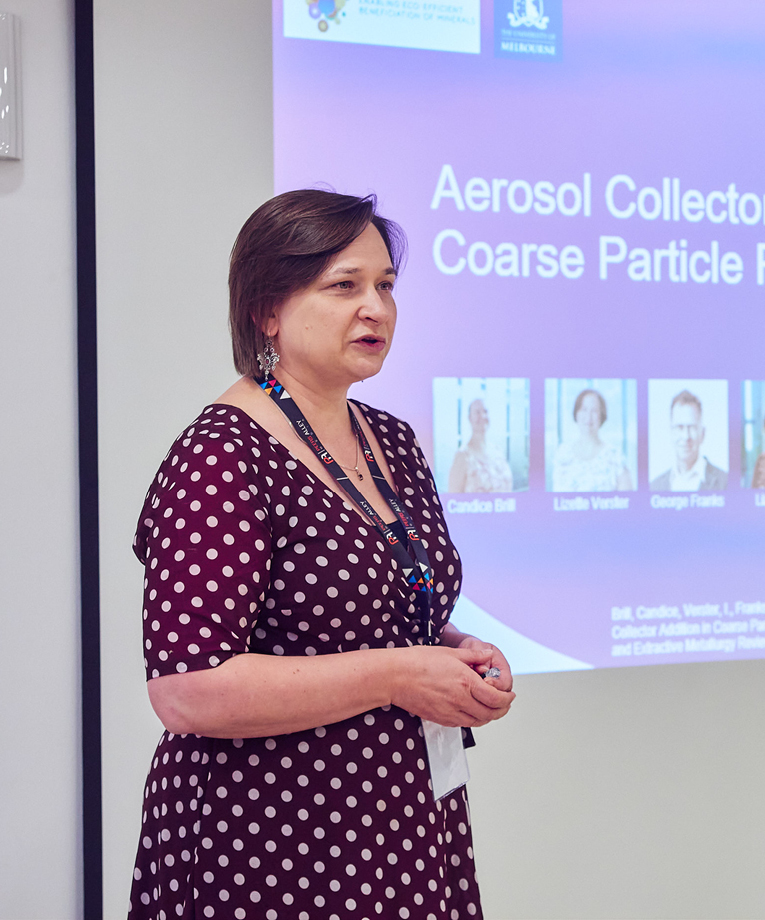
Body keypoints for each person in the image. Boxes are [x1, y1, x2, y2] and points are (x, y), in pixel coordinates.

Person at [128, 190, 515, 920]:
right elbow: (187, 689)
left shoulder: (391, 438)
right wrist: (399, 673)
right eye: (344, 286)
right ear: (267, 310)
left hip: (401, 815)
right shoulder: (222, 456)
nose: (376, 308)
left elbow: (366, 611)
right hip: (268, 837)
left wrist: (451, 650)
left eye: (386, 286)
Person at [551, 388, 632, 492]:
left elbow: (628, 498)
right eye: (584, 409)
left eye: (594, 411)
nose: (588, 416)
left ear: (601, 416)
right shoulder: (563, 454)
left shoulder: (615, 456)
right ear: (576, 413)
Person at [650, 390, 728, 491]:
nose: (686, 436)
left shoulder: (726, 483)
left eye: (692, 428)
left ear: (702, 433)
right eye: (680, 427)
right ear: (671, 433)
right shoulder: (654, 487)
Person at [447, 398, 513, 493]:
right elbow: (454, 494)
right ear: (470, 418)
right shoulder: (462, 456)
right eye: (477, 412)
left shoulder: (498, 452)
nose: (482, 416)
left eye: (485, 411)